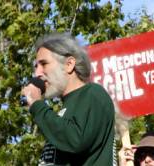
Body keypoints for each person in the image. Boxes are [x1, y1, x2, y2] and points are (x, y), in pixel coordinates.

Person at [21, 32, 115, 165]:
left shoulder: (93, 94)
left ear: (69, 64)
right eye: (36, 67)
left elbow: (76, 140)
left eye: (44, 64)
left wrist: (37, 105)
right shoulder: (66, 107)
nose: (37, 74)